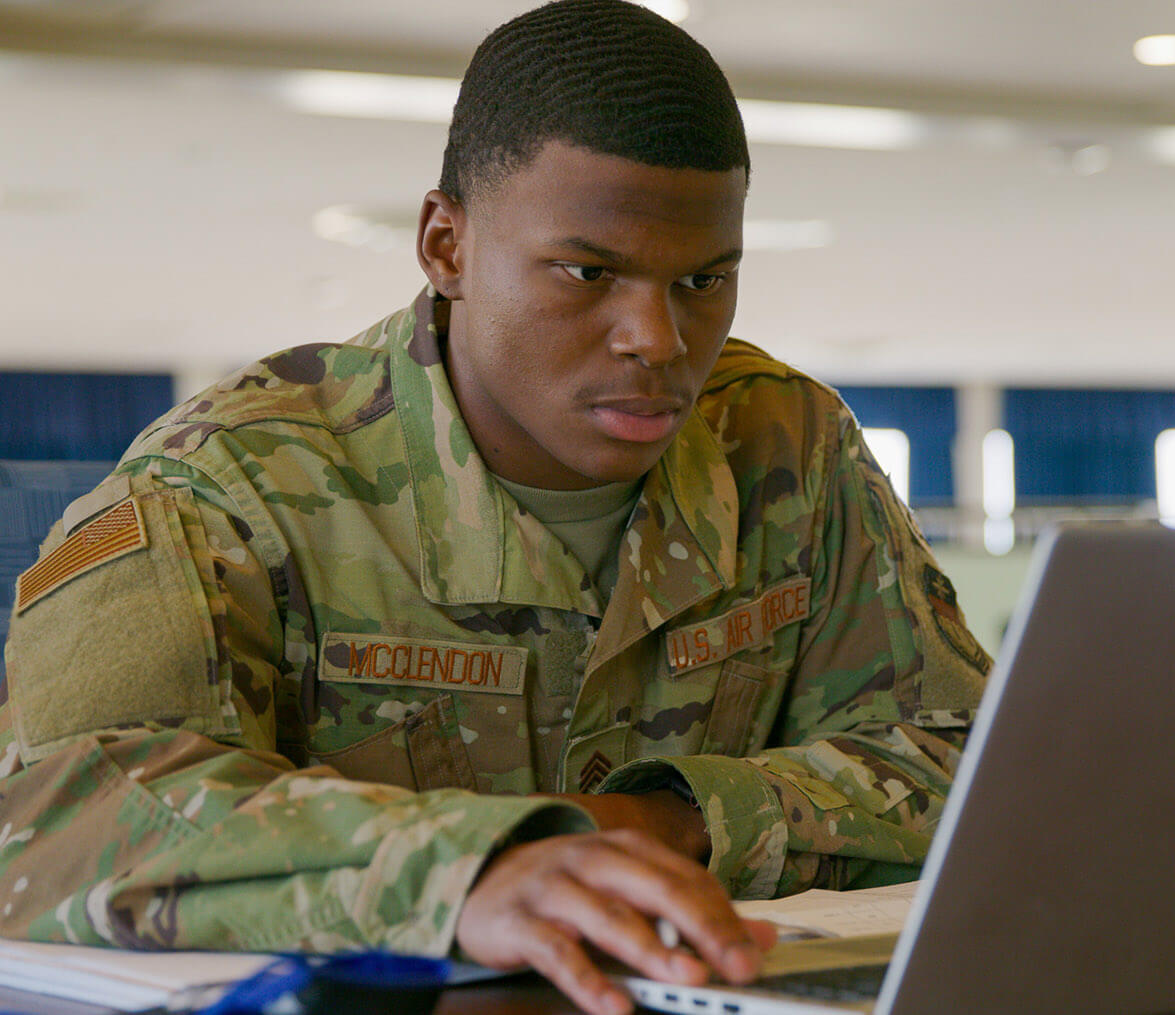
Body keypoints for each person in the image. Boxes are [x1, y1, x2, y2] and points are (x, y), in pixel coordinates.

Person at [0, 2, 989, 1013]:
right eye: (587, 272)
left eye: (704, 279)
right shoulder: (232, 484)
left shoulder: (787, 443)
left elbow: (973, 766)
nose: (658, 336)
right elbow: (55, 813)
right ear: (445, 245)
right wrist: (461, 869)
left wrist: (670, 821)